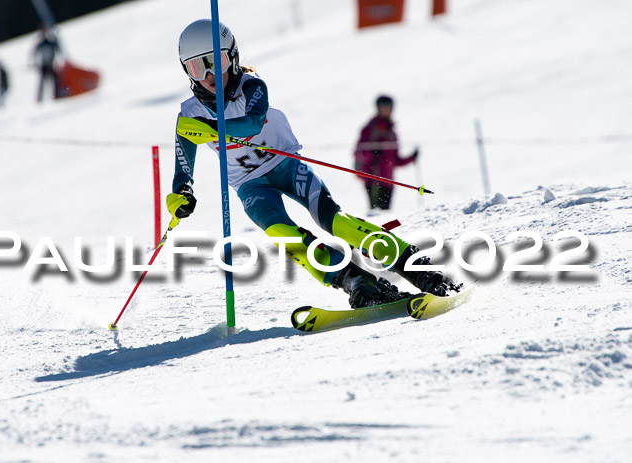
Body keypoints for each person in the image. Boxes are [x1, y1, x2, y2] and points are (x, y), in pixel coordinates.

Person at [168, 19, 459, 308]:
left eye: (215, 62)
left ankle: (413, 266)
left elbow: (253, 122)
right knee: (284, 235)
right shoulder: (189, 116)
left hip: (286, 165)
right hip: (249, 184)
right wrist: (182, 193)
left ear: (232, 57)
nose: (209, 75)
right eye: (197, 67)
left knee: (333, 220)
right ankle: (356, 280)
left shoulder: (252, 85)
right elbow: (183, 168)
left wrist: (215, 127)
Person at [355, 95, 419, 210]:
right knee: (376, 213)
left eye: (388, 106)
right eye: (382, 106)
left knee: (385, 213)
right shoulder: (369, 129)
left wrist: (411, 158)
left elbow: (396, 160)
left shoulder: (392, 133)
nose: (386, 109)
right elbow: (359, 153)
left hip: (388, 180)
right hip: (373, 179)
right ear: (377, 108)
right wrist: (372, 152)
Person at [33, 24, 62, 102]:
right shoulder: (41, 43)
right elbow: (35, 54)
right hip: (44, 65)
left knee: (54, 82)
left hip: (51, 65)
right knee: (43, 83)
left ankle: (56, 96)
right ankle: (40, 99)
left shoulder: (51, 42)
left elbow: (58, 50)